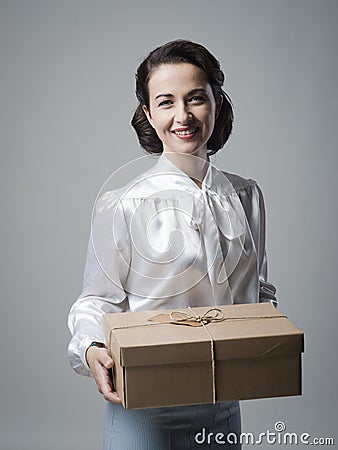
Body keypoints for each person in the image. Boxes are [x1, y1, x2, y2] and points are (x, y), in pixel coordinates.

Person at [68, 39, 277, 450]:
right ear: (148, 113)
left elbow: (261, 292)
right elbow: (96, 300)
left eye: (196, 98)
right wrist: (92, 347)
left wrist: (265, 337)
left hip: (223, 405)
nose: (183, 116)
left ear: (217, 103)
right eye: (166, 102)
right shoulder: (123, 203)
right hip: (144, 405)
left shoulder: (246, 196)